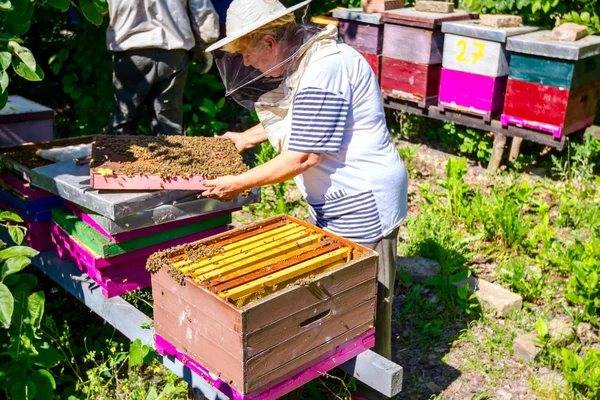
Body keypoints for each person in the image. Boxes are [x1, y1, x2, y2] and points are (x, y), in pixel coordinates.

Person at [201, 0, 408, 390]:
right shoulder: (310, 63)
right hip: (339, 201)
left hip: (363, 200)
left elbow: (302, 156)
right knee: (341, 296)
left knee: (367, 303)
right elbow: (304, 116)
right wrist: (246, 137)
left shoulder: (325, 67)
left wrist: (236, 183)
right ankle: (338, 372)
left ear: (268, 41)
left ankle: (372, 389)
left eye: (247, 53)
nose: (246, 65)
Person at [105, 0, 219, 136]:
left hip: (130, 51)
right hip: (172, 51)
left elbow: (96, 8)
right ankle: (167, 156)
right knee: (168, 121)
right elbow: (201, 10)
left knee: (124, 116)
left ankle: (116, 156)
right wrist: (205, 44)